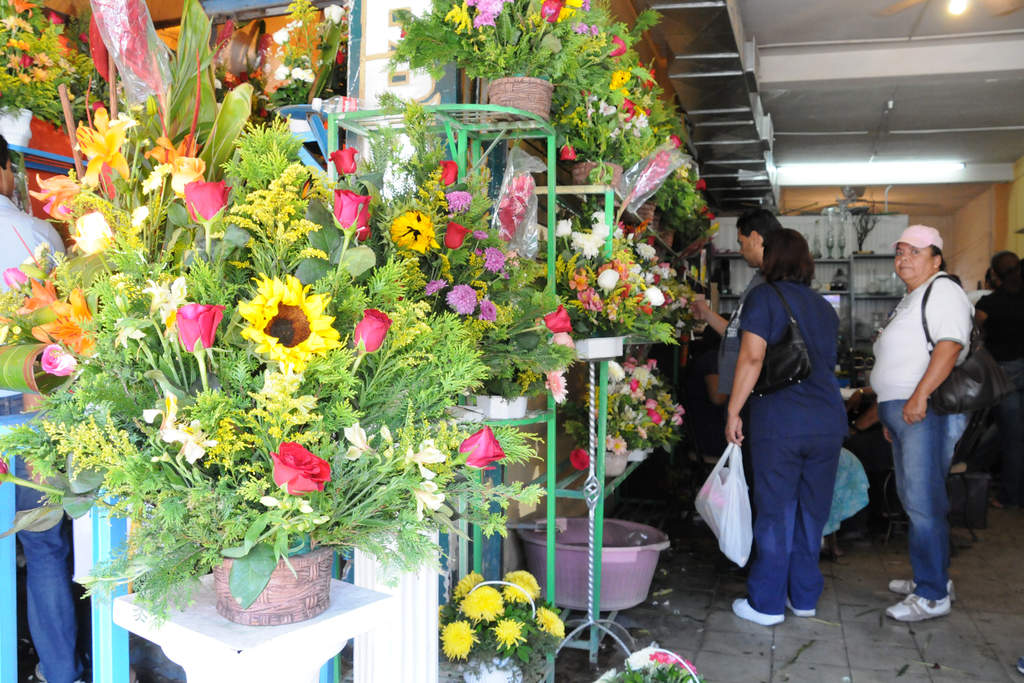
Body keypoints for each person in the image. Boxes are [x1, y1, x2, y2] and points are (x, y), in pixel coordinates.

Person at [724, 228, 847, 626]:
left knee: (776, 511)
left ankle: (767, 604)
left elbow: (752, 358)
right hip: (828, 421)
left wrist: (733, 410)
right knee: (812, 512)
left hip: (781, 420)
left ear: (772, 258)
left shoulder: (764, 297)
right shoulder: (824, 306)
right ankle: (804, 596)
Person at [0, 135, 83, 683]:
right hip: (24, 409)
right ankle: (59, 671)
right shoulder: (29, 232)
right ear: (6, 173)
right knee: (44, 546)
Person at [870, 224, 972, 622]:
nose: (904, 258)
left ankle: (932, 594)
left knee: (923, 503)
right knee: (917, 498)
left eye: (915, 251)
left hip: (921, 410)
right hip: (904, 412)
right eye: (899, 251)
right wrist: (890, 411)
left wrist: (918, 396)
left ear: (936, 258)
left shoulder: (943, 290)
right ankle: (933, 578)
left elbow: (949, 348)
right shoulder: (914, 296)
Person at [974, 250, 1024, 508]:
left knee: (1012, 439)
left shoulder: (988, 305)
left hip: (1004, 374)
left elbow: (972, 336)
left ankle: (1011, 497)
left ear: (994, 275)